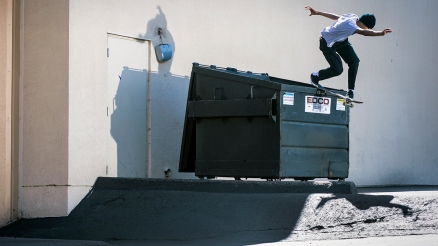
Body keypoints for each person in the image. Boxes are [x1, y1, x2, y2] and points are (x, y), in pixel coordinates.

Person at [305, 6, 392, 99]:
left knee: (354, 61)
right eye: (367, 28)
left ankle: (350, 91)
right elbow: (363, 32)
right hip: (327, 43)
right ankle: (315, 76)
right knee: (337, 70)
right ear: (364, 24)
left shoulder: (353, 17)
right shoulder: (351, 25)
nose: (366, 29)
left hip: (341, 40)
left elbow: (336, 17)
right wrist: (380, 33)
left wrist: (318, 12)